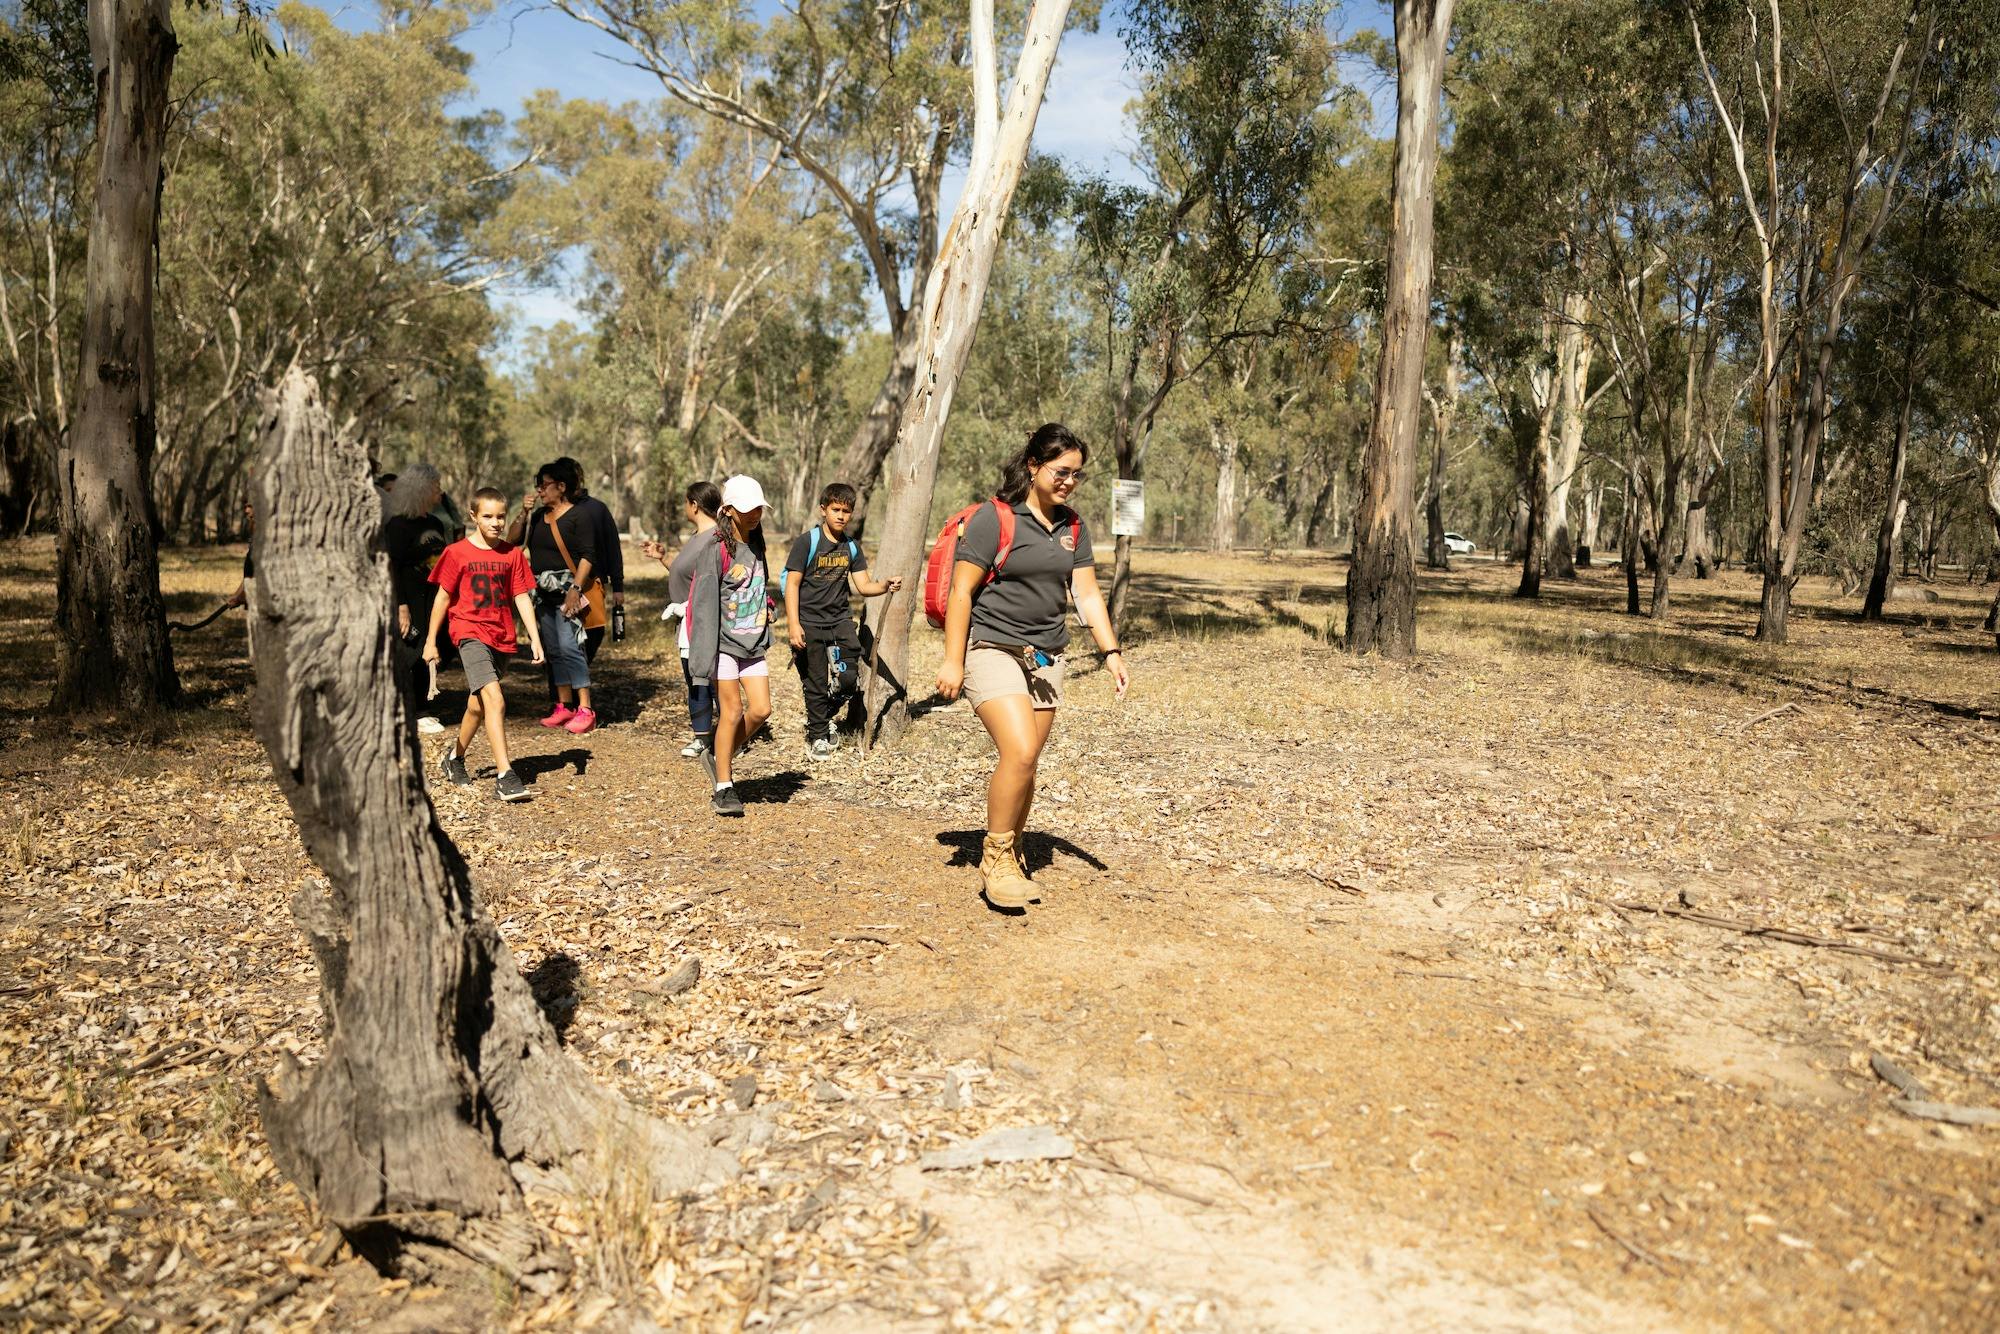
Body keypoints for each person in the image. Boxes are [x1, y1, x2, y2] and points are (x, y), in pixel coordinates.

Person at [935, 424, 1128, 911]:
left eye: (1077, 474)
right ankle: (996, 859)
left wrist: (1111, 653)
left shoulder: (1073, 527)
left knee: (1026, 762)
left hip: (1047, 657)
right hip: (992, 649)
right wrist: (953, 662)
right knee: (1019, 751)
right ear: (1033, 467)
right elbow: (961, 592)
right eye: (1061, 471)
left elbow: (1085, 594)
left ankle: (1014, 848)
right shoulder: (994, 519)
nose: (1069, 481)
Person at [424, 488, 545, 803]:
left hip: (502, 636)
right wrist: (430, 641)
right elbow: (442, 597)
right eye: (488, 516)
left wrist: (533, 636)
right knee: (495, 699)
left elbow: (521, 596)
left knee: (478, 704)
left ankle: (454, 757)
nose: (496, 523)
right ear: (473, 516)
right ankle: (506, 775)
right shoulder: (457, 553)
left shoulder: (512, 554)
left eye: (501, 516)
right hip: (469, 632)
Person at [783, 482, 902, 760]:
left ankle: (820, 716)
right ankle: (818, 736)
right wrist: (793, 624)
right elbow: (792, 585)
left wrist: (884, 585)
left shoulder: (851, 547)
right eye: (835, 509)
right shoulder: (806, 543)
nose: (840, 516)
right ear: (823, 509)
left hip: (839, 621)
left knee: (848, 679)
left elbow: (863, 585)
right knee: (815, 680)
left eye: (846, 511)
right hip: (808, 622)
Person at [686, 474, 773, 818]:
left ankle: (719, 754)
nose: (755, 514)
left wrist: (767, 608)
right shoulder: (716, 548)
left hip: (754, 643)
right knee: (732, 711)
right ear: (730, 509)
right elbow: (704, 604)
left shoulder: (758, 544)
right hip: (723, 645)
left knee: (762, 710)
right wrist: (701, 659)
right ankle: (724, 786)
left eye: (759, 509)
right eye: (749, 509)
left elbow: (757, 586)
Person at [642, 480, 722, 760]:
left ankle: (726, 736)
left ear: (694, 505)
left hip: (703, 622)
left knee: (709, 680)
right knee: (695, 679)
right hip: (688, 624)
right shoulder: (697, 536)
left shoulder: (715, 538)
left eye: (686, 502)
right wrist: (663, 559)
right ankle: (702, 736)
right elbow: (688, 575)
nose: (684, 507)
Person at [519, 459, 600, 734]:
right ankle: (563, 705)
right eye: (538, 485)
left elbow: (588, 556)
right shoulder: (537, 517)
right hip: (542, 595)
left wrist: (576, 590)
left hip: (567, 592)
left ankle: (585, 708)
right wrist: (523, 513)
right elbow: (514, 539)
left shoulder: (579, 516)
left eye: (545, 485)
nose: (540, 490)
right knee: (553, 650)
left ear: (561, 486)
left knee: (570, 647)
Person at [383, 465, 452, 737]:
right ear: (421, 490)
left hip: (433, 598)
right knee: (408, 652)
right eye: (436, 487)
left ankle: (420, 709)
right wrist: (401, 607)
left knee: (430, 649)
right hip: (407, 599)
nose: (440, 492)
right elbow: (391, 566)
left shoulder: (434, 524)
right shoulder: (398, 526)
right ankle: (408, 711)